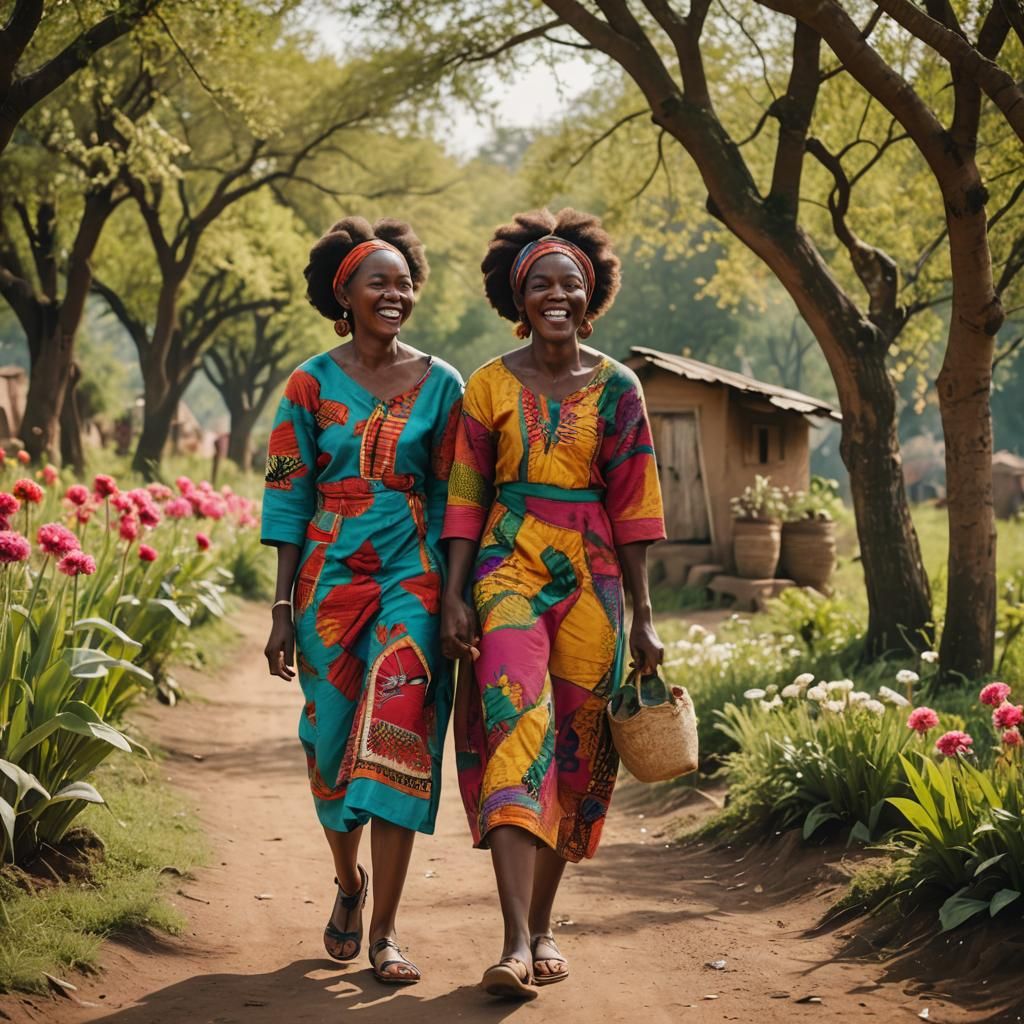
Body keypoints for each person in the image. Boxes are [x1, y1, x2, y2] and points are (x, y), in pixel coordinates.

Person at [440, 208, 666, 1000]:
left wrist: (643, 615)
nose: (556, 294)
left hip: (595, 580)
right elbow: (466, 496)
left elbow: (635, 503)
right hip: (506, 566)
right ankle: (509, 944)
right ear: (517, 295)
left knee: (576, 747)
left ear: (592, 290)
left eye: (571, 281)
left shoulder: (619, 388)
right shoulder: (488, 385)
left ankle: (543, 927)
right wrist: (455, 595)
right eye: (540, 283)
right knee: (513, 727)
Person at [262, 216, 463, 985]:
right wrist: (282, 608)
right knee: (329, 740)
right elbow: (286, 496)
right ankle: (349, 883)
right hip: (326, 581)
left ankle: (386, 933)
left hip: (412, 576)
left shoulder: (443, 384)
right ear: (343, 293)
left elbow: (454, 497)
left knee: (401, 736)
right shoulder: (309, 383)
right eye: (378, 280)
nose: (395, 292)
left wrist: (453, 596)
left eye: (404, 280)